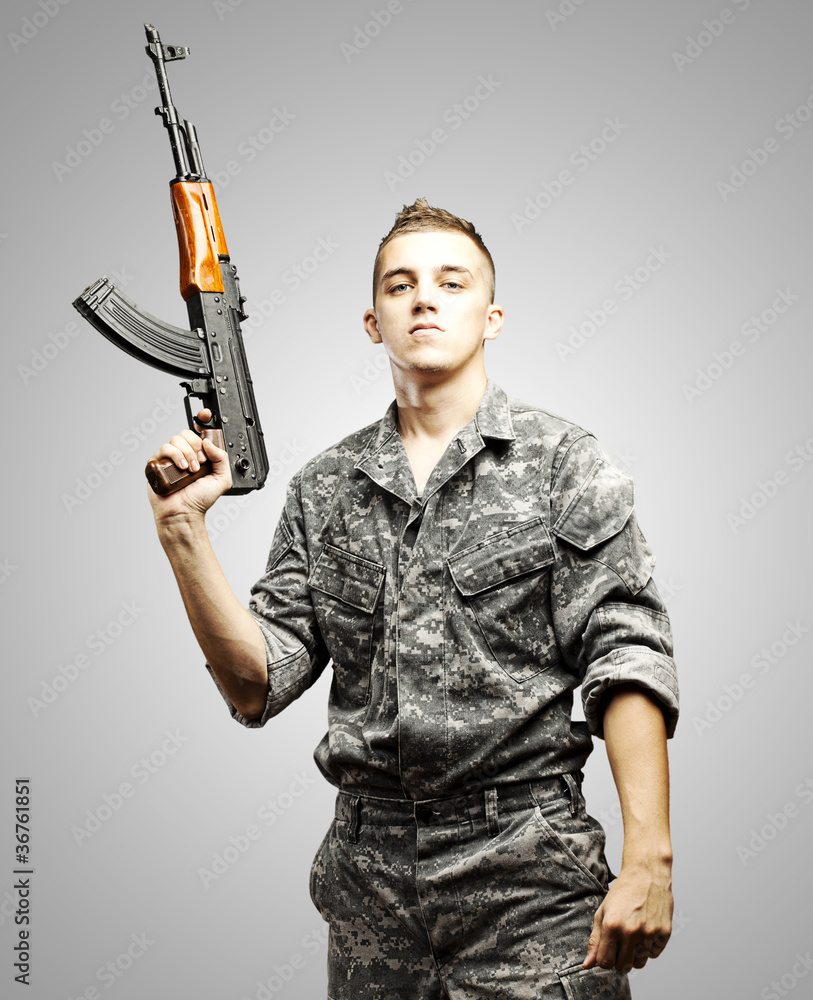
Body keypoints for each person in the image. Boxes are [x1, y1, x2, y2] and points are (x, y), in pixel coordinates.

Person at [147, 199, 678, 999]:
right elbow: (256, 685)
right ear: (373, 322)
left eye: (450, 282)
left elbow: (625, 657)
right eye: (400, 285)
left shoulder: (562, 464)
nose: (423, 298)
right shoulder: (325, 488)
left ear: (491, 317)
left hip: (528, 874)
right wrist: (183, 531)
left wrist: (648, 860)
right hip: (369, 889)